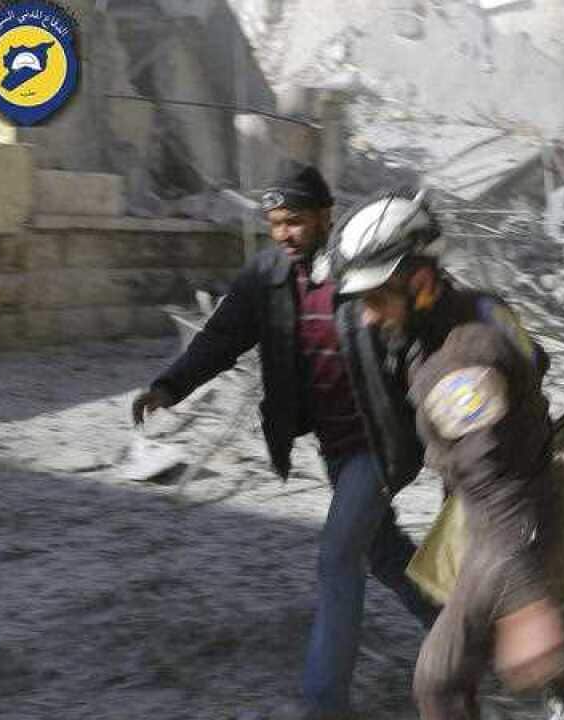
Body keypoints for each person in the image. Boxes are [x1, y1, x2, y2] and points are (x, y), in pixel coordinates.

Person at [130, 166, 435, 720]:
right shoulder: (267, 274)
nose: (283, 233)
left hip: (384, 441)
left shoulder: (368, 264)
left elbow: (426, 332)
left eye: (294, 221)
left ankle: (324, 704)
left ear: (326, 215)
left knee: (337, 556)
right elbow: (223, 336)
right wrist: (169, 386)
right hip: (335, 445)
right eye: (274, 223)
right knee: (382, 551)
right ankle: (458, 628)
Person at [330, 188, 564, 720]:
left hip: (505, 534)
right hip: (509, 519)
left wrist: (527, 601)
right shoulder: (483, 306)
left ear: (419, 281)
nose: (368, 318)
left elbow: (497, 491)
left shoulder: (456, 366)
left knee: (438, 684)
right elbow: (539, 359)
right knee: (445, 677)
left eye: (375, 299)